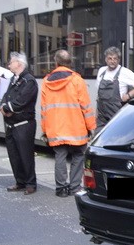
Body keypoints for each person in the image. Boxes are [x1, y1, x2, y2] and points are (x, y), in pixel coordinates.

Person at [40, 49, 95, 196]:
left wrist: (45, 130)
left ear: (56, 62)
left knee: (60, 156)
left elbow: (44, 109)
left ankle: (61, 188)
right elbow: (86, 106)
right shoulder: (77, 80)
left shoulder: (46, 81)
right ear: (70, 63)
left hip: (56, 128)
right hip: (76, 127)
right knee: (78, 155)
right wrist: (91, 127)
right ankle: (75, 187)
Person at [0, 52, 38, 194]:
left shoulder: (29, 81)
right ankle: (20, 181)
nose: (9, 64)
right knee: (14, 155)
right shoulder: (13, 79)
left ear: (19, 64)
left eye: (11, 62)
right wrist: (3, 106)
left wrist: (7, 108)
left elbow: (21, 101)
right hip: (11, 124)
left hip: (23, 124)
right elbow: (5, 96)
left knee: (25, 155)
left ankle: (30, 184)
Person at [96, 46, 134, 128]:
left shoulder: (124, 72)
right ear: (106, 59)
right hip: (101, 116)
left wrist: (129, 95)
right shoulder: (101, 71)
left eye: (115, 59)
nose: (112, 61)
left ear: (118, 60)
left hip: (116, 114)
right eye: (110, 58)